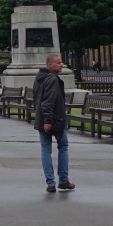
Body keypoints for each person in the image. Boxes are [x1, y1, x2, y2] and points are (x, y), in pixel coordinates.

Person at [33, 54, 73, 193]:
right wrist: (48, 120)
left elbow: (37, 99)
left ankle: (51, 182)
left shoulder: (39, 78)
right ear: (50, 65)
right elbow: (48, 101)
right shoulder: (53, 80)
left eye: (61, 62)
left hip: (41, 119)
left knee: (45, 150)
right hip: (55, 120)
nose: (61, 64)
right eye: (58, 62)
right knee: (63, 147)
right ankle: (63, 179)